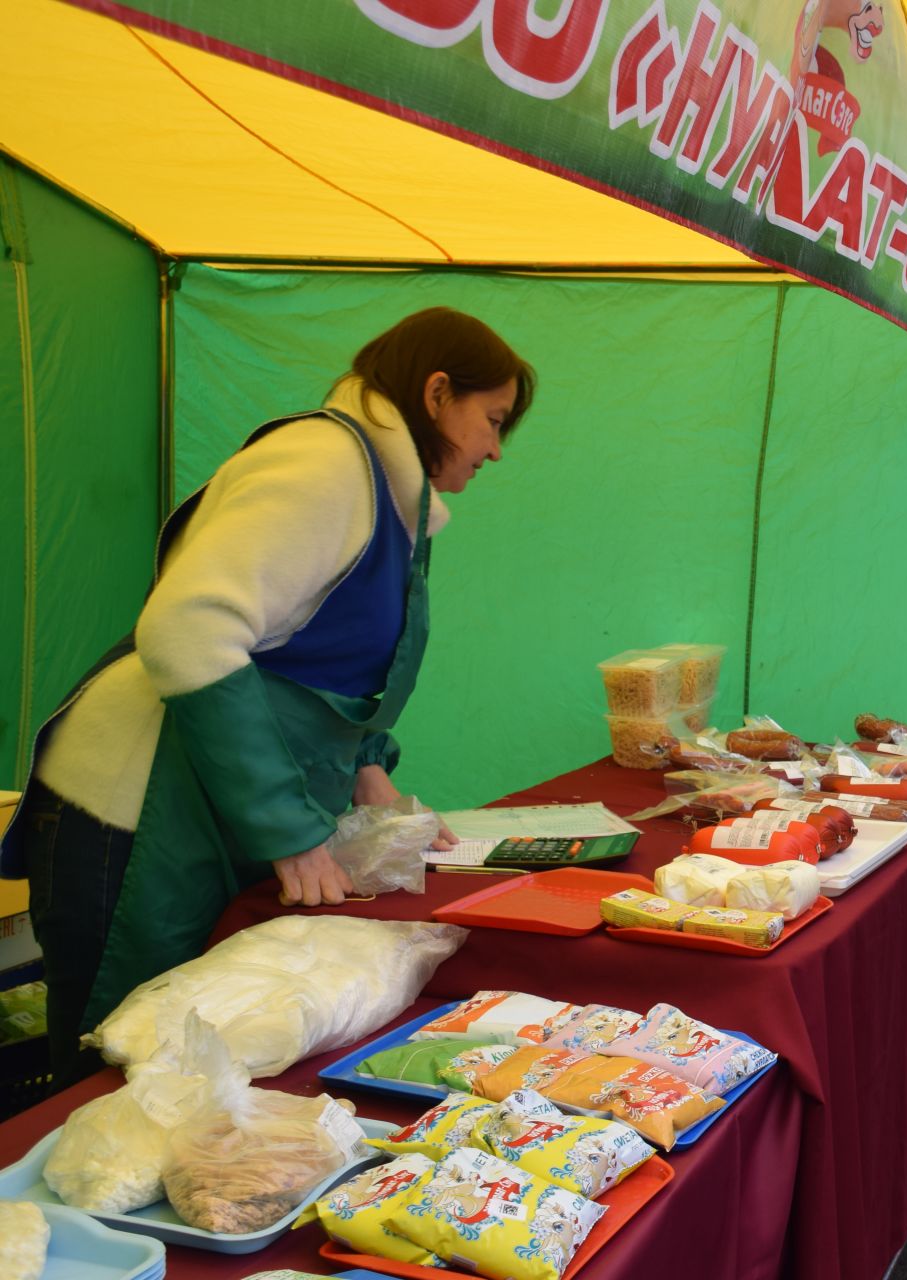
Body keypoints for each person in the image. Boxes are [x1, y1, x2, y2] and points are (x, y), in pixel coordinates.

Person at [0, 307, 535, 1087]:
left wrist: (366, 768)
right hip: (131, 809)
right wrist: (287, 828)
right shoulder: (322, 466)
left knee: (192, 1057)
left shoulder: (387, 496)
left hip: (194, 802)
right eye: (491, 421)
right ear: (435, 391)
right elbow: (190, 630)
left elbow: (320, 658)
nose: (494, 449)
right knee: (123, 1058)